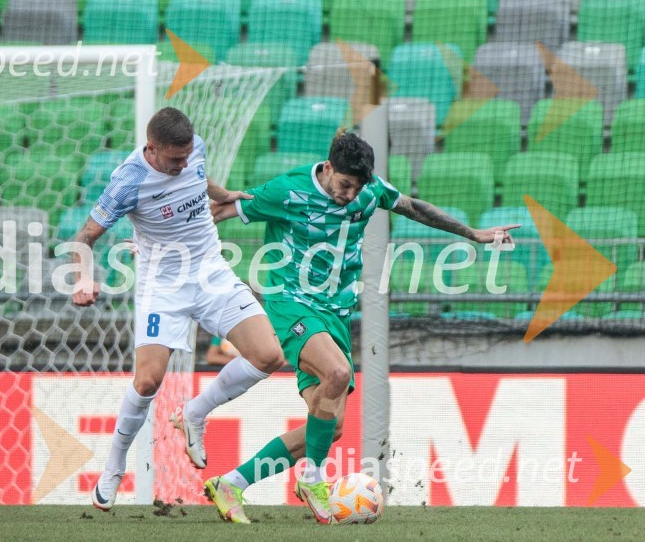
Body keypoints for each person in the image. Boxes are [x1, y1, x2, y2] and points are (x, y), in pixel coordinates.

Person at [202, 131, 519, 524]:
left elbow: (413, 207)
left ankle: (231, 483)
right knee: (337, 372)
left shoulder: (369, 192)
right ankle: (314, 480)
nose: (351, 194)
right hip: (291, 303)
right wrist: (159, 244)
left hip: (336, 314)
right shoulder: (287, 191)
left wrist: (472, 234)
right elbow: (221, 211)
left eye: (358, 187)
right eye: (345, 184)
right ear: (329, 167)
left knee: (330, 428)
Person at [71, 107, 284, 511]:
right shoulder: (127, 181)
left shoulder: (192, 150)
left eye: (187, 156)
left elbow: (198, 178)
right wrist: (83, 278)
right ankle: (115, 467)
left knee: (269, 355)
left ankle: (195, 414)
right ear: (151, 148)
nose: (183, 163)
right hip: (162, 285)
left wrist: (224, 196)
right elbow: (84, 236)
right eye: (174, 159)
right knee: (148, 381)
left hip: (210, 272)